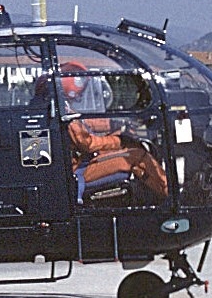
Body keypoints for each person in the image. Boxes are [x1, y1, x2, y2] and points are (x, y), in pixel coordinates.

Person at [58, 63, 168, 203]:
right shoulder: (67, 116)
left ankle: (154, 195)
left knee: (133, 152)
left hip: (80, 162)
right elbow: (88, 144)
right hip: (80, 168)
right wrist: (119, 140)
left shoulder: (63, 108)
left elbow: (86, 123)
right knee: (137, 156)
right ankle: (170, 197)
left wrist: (116, 123)